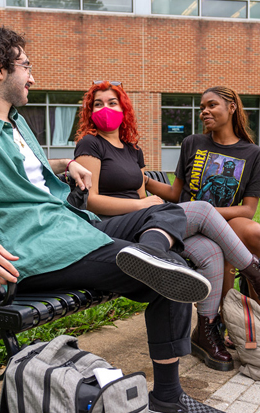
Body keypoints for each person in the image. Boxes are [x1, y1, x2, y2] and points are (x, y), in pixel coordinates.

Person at [0, 26, 223, 413]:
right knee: (174, 272)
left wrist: (65, 163)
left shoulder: (16, 122)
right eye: (26, 66)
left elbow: (26, 170)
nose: (33, 76)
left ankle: (150, 251)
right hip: (39, 251)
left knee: (166, 210)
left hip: (73, 227)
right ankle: (169, 398)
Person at [74, 81, 260, 374]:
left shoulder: (132, 149)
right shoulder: (90, 143)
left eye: (112, 103)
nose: (105, 109)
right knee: (202, 208)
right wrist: (143, 206)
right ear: (89, 110)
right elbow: (92, 201)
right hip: (110, 228)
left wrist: (146, 203)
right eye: (98, 103)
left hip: (144, 223)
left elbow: (140, 193)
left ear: (124, 109)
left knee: (211, 251)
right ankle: (254, 271)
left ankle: (205, 331)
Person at [145, 85, 260, 346]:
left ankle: (252, 323)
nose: (204, 112)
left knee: (254, 233)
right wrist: (143, 181)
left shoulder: (252, 154)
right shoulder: (192, 143)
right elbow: (176, 193)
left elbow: (248, 210)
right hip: (187, 224)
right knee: (225, 254)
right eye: (201, 108)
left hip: (228, 223)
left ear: (231, 108)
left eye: (211, 105)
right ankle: (221, 325)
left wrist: (211, 216)